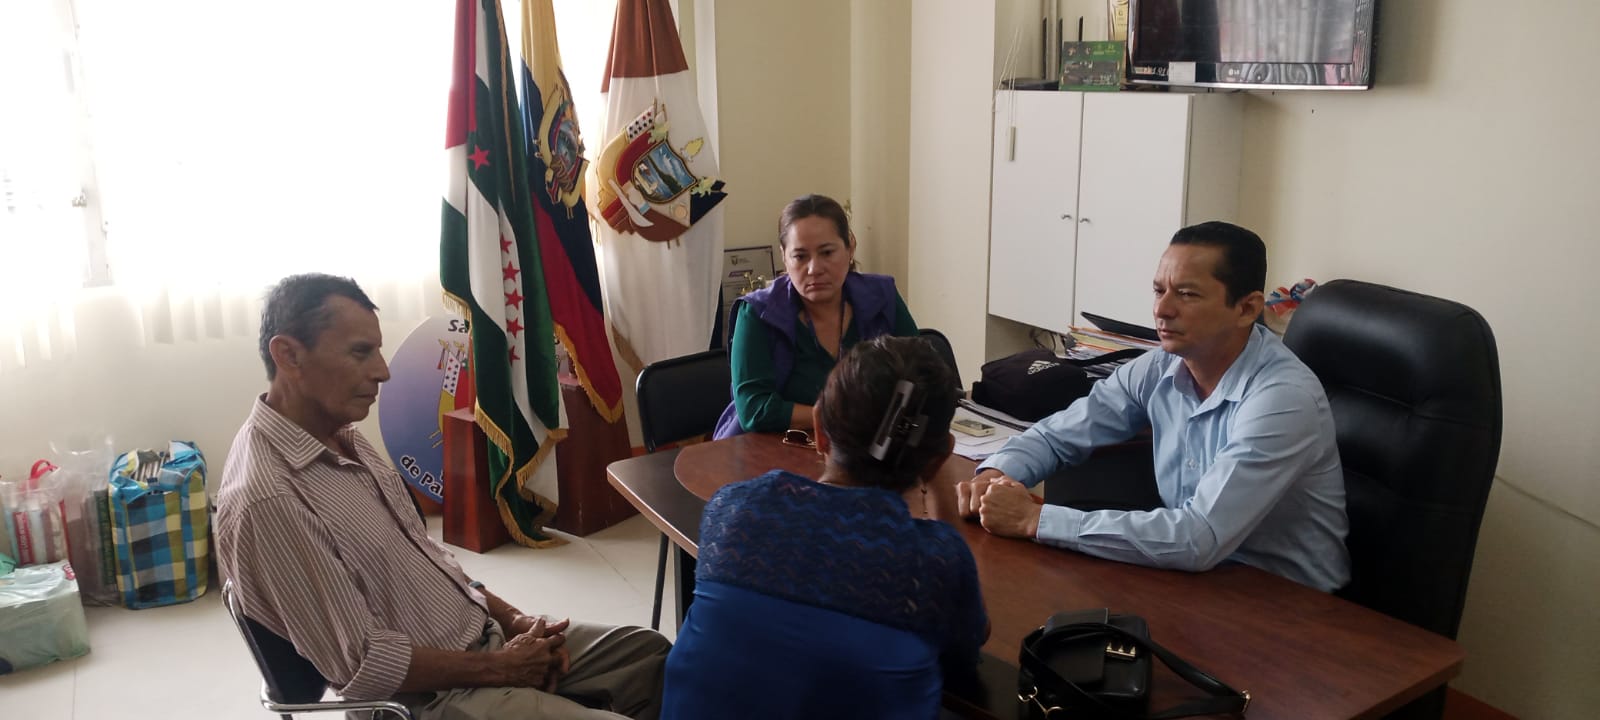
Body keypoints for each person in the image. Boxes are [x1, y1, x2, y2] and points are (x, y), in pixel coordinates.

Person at [215, 274, 670, 720]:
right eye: (360, 352)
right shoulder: (270, 500)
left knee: (649, 656)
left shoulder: (338, 435)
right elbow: (363, 666)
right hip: (426, 700)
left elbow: (426, 556)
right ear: (289, 355)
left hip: (484, 646)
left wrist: (513, 620)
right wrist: (503, 669)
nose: (383, 370)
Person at [957, 222, 1350, 592]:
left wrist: (1035, 519)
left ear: (1246, 309)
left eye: (1187, 294)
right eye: (1159, 290)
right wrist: (995, 474)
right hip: (1193, 577)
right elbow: (1058, 435)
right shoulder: (1160, 366)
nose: (1162, 309)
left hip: (1286, 601)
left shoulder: (1282, 398)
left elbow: (1199, 537)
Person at [664, 336, 988, 719]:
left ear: (818, 427)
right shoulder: (935, 562)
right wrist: (938, 485)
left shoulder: (732, 509)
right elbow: (967, 646)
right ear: (939, 459)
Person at [712, 193, 920, 438]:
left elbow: (919, 374)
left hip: (867, 442)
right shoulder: (758, 313)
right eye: (800, 256)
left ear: (850, 247)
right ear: (784, 257)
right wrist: (836, 416)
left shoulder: (882, 297)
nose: (814, 269)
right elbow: (754, 410)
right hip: (773, 445)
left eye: (827, 252)